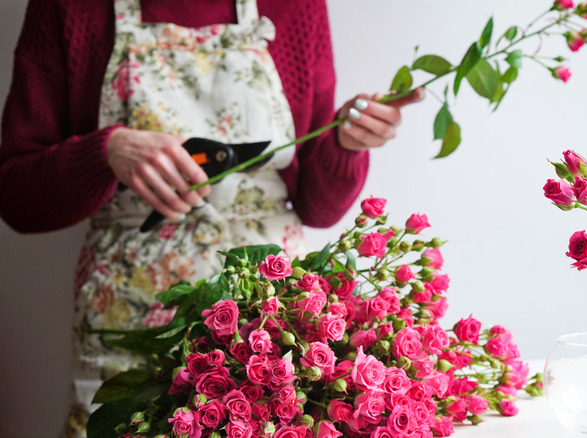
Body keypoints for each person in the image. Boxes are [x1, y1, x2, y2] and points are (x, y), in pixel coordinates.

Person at [0, 0, 423, 435]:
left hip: (269, 325)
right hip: (130, 320)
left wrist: (346, 143)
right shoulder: (70, 8)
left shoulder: (296, 6)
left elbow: (320, 207)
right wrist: (106, 151)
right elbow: (15, 197)